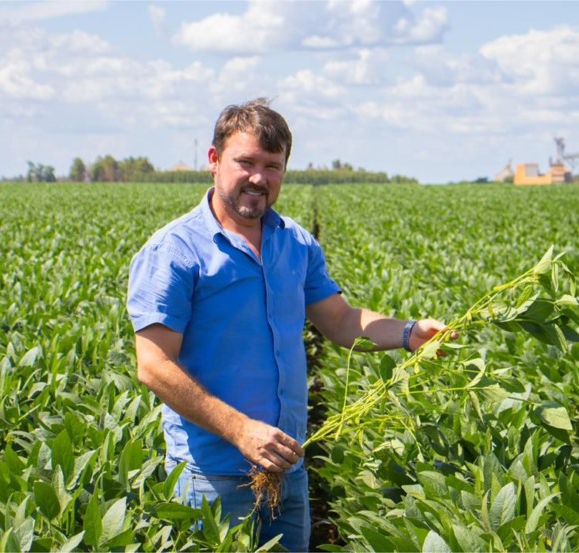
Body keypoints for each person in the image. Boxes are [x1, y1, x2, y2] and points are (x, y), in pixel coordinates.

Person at [127, 98, 447, 551]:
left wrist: (409, 333)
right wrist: (240, 430)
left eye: (272, 166)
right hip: (213, 476)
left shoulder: (295, 242)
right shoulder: (176, 251)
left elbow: (339, 319)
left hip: (287, 469)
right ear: (214, 161)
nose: (259, 178)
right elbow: (154, 365)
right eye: (246, 162)